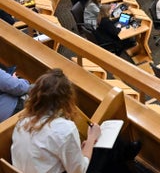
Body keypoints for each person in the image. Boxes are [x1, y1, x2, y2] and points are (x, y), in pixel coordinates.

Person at [11, 69, 140, 173]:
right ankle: (126, 156)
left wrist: (83, 149)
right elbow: (79, 170)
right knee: (108, 144)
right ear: (65, 100)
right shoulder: (64, 128)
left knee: (107, 152)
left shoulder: (22, 122)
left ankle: (125, 155)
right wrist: (90, 140)